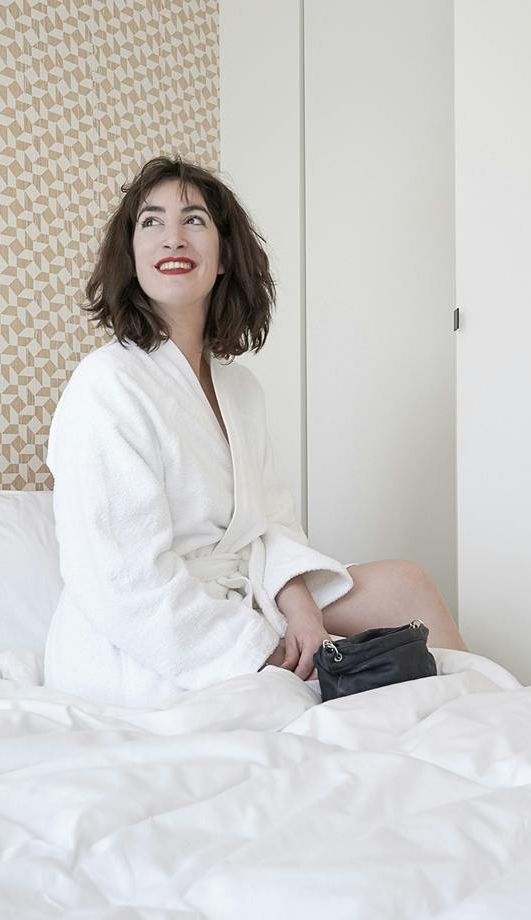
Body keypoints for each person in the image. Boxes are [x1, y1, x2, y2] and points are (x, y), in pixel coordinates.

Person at [43, 156, 466, 707]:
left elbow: (272, 523)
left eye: (194, 220)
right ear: (132, 255)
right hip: (149, 639)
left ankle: (482, 717)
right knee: (314, 700)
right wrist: (264, 650)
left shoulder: (239, 388)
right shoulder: (107, 383)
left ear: (223, 257)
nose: (173, 237)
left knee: (405, 584)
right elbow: (122, 581)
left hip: (244, 592)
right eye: (151, 221)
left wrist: (301, 608)